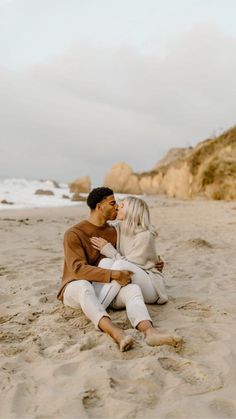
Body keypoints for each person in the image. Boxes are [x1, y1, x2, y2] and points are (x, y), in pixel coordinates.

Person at [57, 187, 181, 352]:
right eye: (113, 203)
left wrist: (154, 263)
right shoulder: (74, 233)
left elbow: (130, 255)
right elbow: (77, 270)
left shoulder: (115, 231)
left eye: (118, 204)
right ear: (99, 207)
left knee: (133, 289)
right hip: (75, 287)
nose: (117, 207)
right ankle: (116, 332)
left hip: (106, 288)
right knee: (83, 286)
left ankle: (149, 331)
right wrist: (113, 274)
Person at [90, 196, 168, 309]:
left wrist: (109, 250)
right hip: (133, 277)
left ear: (132, 211)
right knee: (105, 262)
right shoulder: (120, 228)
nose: (117, 208)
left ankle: (98, 308)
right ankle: (96, 299)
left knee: (120, 265)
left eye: (122, 206)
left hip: (152, 287)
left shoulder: (145, 235)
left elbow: (131, 266)